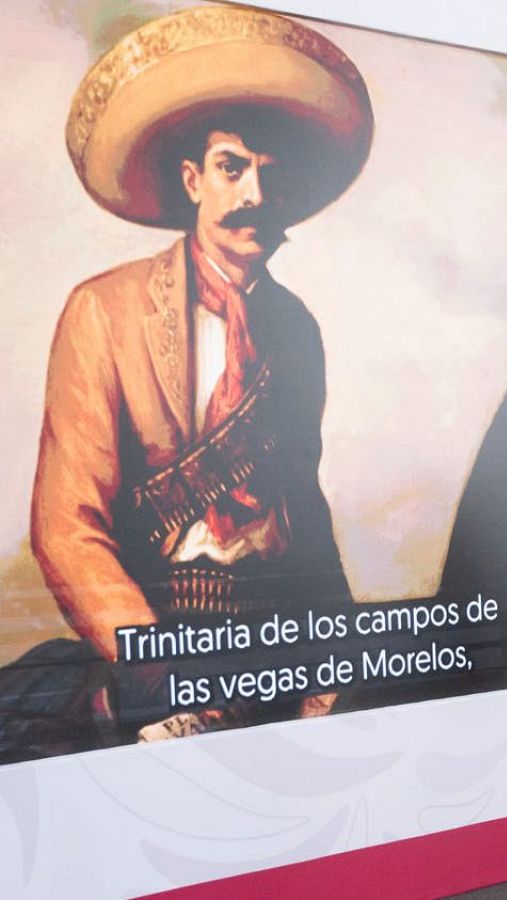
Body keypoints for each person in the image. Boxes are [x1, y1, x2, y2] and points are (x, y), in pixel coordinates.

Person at [0, 7, 373, 760]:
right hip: (145, 653)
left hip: (272, 645)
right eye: (233, 168)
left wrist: (335, 658)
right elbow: (67, 530)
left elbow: (302, 508)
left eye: (271, 174)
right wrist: (165, 672)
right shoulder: (103, 311)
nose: (253, 197)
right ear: (193, 179)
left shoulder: (296, 333)